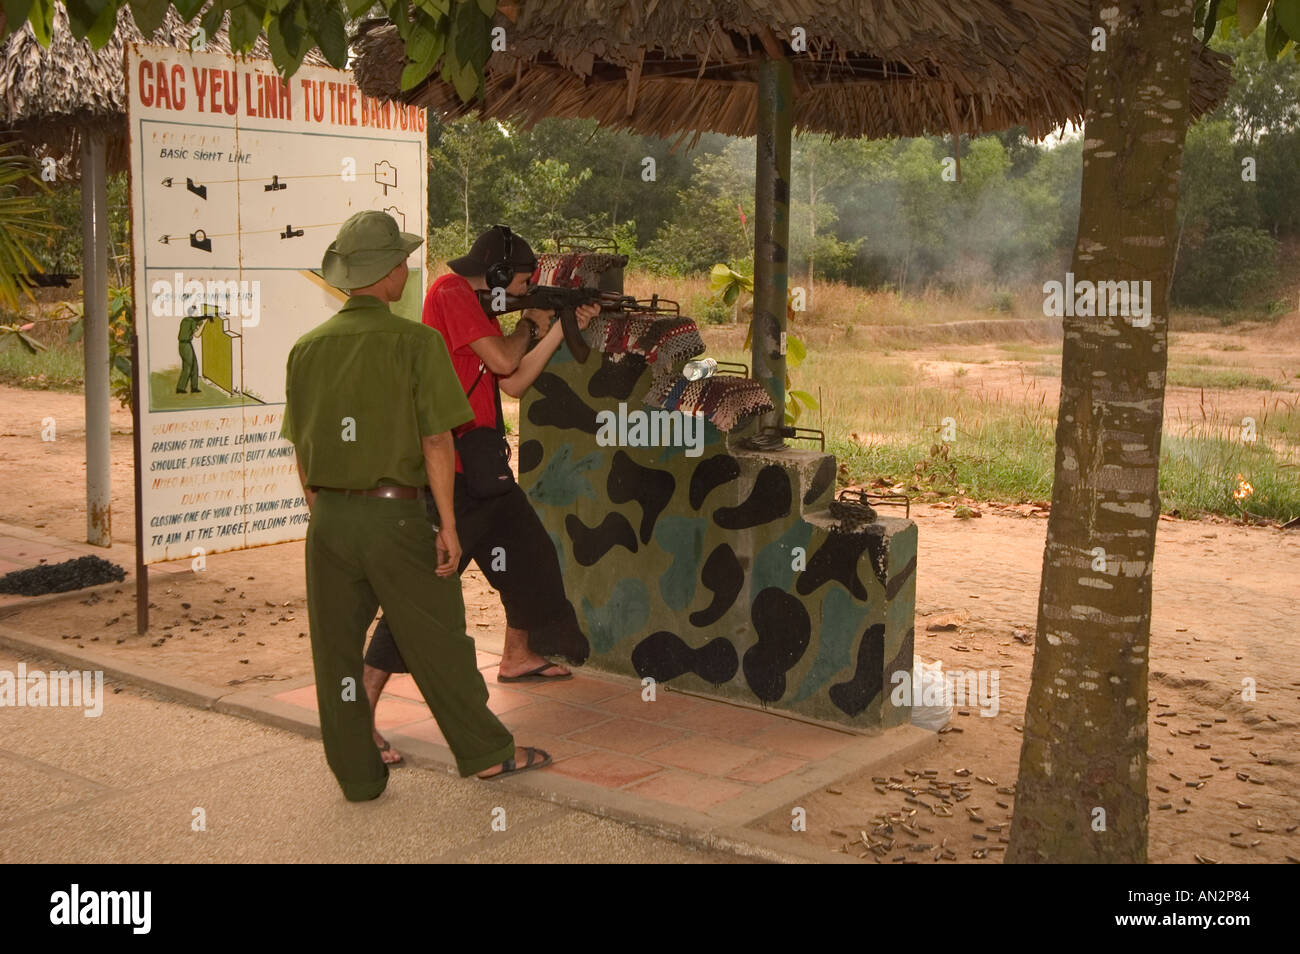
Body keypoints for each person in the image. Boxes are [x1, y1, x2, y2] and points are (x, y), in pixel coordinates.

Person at [281, 210, 550, 799]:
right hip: (396, 514)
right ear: (385, 274)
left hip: (328, 519)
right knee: (441, 642)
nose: (407, 268)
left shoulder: (306, 349)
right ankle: (485, 753)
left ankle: (357, 777)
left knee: (334, 654)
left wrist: (324, 512)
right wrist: (448, 525)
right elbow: (436, 441)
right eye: (400, 260)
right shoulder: (416, 342)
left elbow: (302, 446)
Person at [362, 225, 599, 764]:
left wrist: (558, 329)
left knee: (531, 558)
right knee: (418, 600)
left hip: (484, 470)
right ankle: (361, 711)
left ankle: (518, 656)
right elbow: (501, 359)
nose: (522, 289)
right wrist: (530, 325)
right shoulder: (449, 293)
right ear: (494, 273)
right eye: (519, 280)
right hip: (454, 475)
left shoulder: (477, 306)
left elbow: (511, 383)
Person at [176, 307, 208, 393]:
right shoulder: (192, 321)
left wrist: (203, 319)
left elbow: (196, 322)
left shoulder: (185, 320)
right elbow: (197, 335)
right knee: (188, 367)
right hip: (186, 345)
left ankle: (194, 388)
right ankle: (180, 388)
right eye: (197, 313)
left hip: (183, 345)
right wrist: (204, 323)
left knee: (194, 366)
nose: (198, 314)